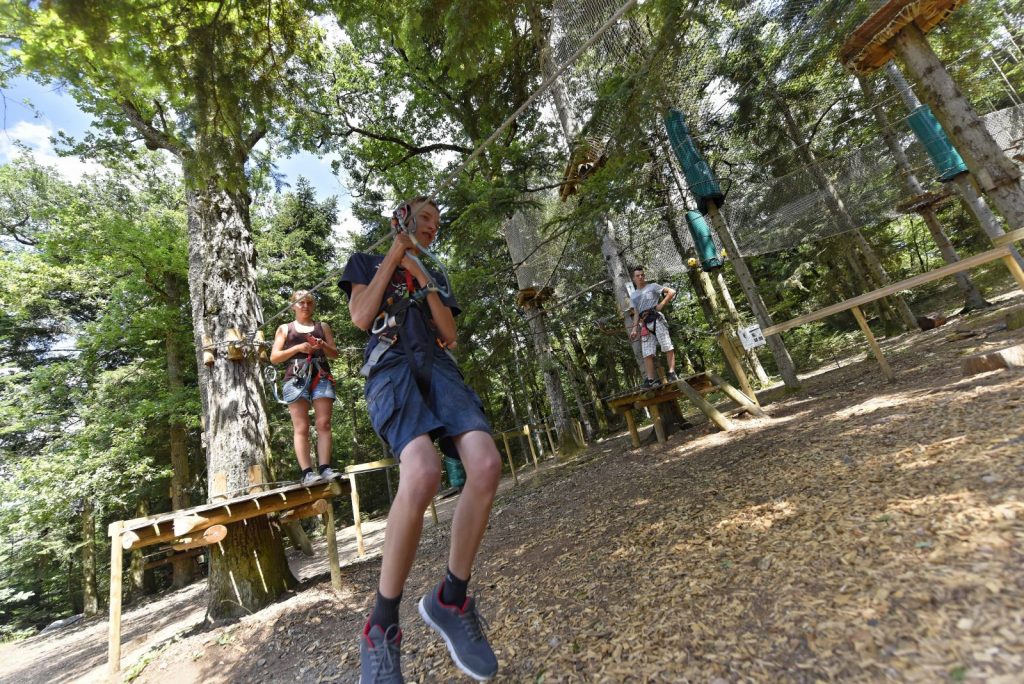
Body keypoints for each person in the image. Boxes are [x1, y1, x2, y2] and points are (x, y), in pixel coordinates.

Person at [340, 197, 502, 683]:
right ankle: (381, 627)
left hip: (437, 367)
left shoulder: (435, 275)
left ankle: (451, 599)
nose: (434, 225)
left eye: (438, 219)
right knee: (424, 471)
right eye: (425, 218)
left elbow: (448, 333)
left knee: (487, 464)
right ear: (402, 219)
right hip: (389, 365)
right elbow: (361, 318)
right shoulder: (367, 263)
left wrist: (421, 273)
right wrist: (396, 253)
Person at [269, 290, 341, 486]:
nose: (305, 306)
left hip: (321, 374)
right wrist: (297, 349)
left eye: (308, 303)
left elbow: (335, 354)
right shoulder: (285, 329)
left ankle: (325, 468)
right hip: (295, 378)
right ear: (293, 306)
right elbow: (274, 357)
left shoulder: (322, 326)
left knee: (324, 423)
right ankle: (307, 472)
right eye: (301, 303)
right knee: (301, 427)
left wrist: (322, 345)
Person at [628, 266, 678, 388]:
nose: (641, 277)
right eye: (638, 276)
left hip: (657, 319)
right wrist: (634, 328)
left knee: (667, 345)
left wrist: (661, 304)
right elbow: (636, 312)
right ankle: (651, 380)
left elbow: (671, 291)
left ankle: (672, 373)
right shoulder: (633, 295)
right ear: (634, 279)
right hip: (644, 324)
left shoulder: (653, 286)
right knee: (647, 353)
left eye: (642, 275)